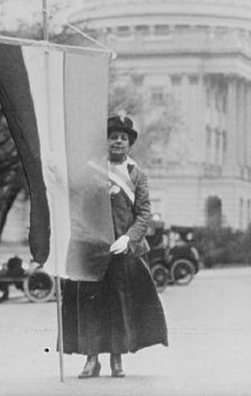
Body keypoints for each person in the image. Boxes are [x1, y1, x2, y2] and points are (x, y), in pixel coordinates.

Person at [61, 114, 168, 378]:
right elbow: (73, 196)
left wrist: (128, 239)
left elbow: (143, 213)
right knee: (90, 304)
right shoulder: (90, 170)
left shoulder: (137, 175)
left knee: (120, 304)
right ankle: (91, 359)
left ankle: (117, 360)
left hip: (122, 251)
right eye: (113, 137)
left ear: (129, 144)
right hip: (92, 250)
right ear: (106, 142)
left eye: (123, 138)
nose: (117, 142)